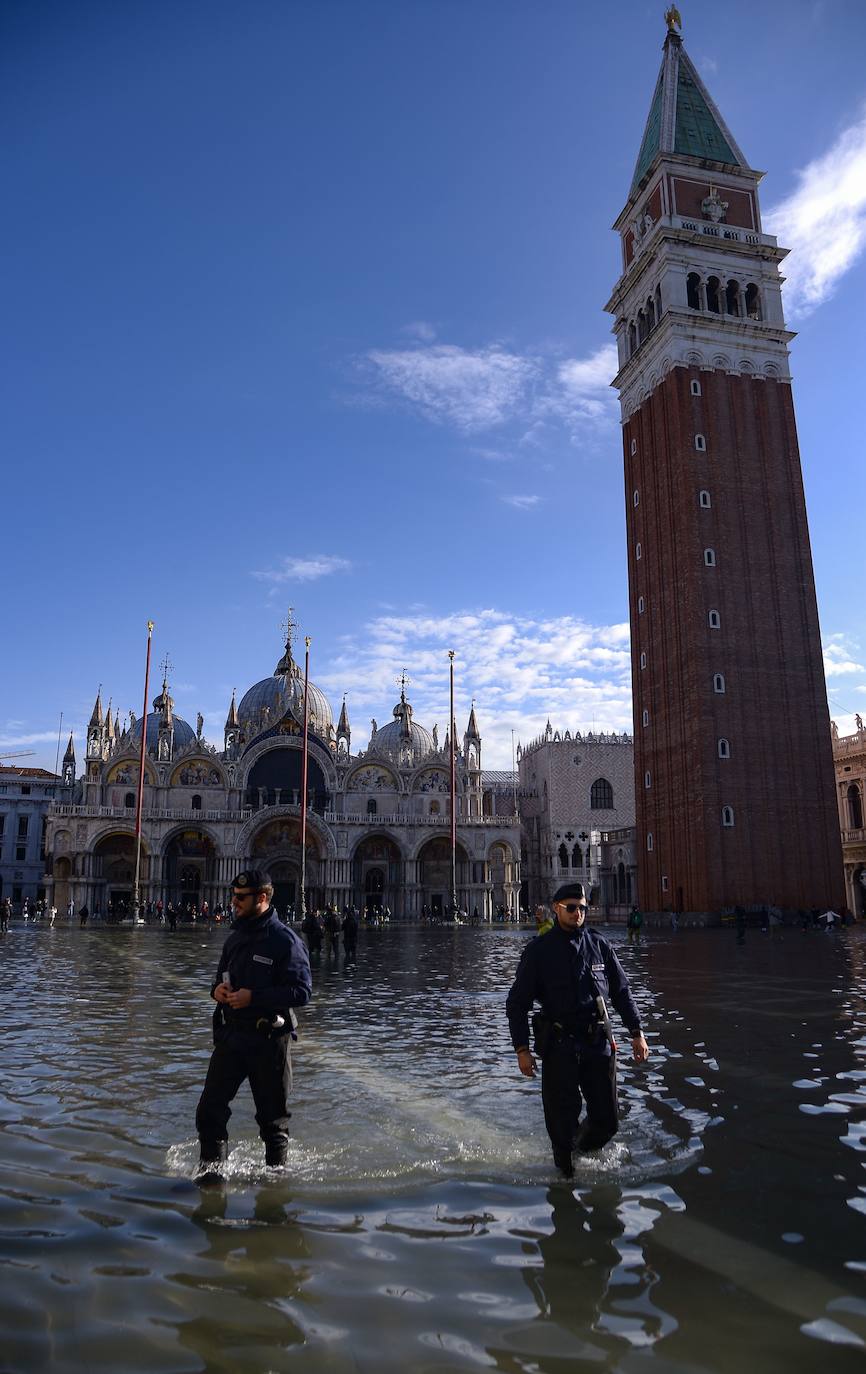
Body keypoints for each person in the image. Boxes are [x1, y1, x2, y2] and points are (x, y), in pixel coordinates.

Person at [506, 881, 649, 1178]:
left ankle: (580, 1150)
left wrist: (637, 1032)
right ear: (557, 909)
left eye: (582, 908)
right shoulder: (539, 951)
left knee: (608, 1121)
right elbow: (517, 1003)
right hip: (559, 1047)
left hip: (597, 1044)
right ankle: (566, 1175)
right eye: (571, 908)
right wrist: (522, 1049)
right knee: (561, 1124)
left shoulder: (599, 945)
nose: (578, 913)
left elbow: (621, 991)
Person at [195, 869, 313, 1180]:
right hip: (232, 1037)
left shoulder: (285, 941)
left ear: (261, 898)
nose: (233, 902)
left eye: (240, 897)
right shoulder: (235, 939)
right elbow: (219, 979)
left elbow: (302, 992)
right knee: (209, 1110)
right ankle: (211, 1177)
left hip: (269, 1039)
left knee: (272, 1122)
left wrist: (254, 997)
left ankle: (274, 1185)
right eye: (233, 895)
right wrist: (216, 992)